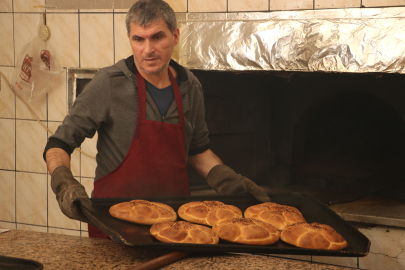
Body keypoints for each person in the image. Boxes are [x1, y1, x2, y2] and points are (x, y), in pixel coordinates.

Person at [43, 0, 270, 238]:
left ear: (175, 36)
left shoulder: (190, 86)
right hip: (113, 225)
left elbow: (198, 150)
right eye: (138, 39)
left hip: (175, 225)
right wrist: (64, 184)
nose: (147, 49)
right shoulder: (109, 84)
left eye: (157, 37)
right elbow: (59, 144)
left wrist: (230, 181)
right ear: (130, 38)